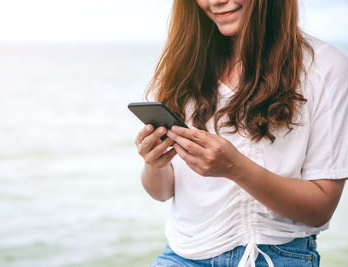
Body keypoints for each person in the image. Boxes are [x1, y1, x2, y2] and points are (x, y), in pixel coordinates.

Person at [134, 0, 348, 266]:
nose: (215, 2)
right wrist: (154, 164)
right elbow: (162, 191)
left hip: (277, 256)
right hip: (182, 256)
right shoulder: (185, 66)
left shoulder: (325, 68)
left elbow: (320, 209)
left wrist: (235, 167)